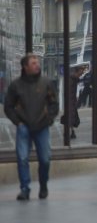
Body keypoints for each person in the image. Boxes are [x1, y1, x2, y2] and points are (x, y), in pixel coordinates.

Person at [4, 53, 59, 201]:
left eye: (37, 63)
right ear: (25, 67)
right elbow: (8, 106)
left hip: (42, 126)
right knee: (22, 158)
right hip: (24, 127)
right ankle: (24, 188)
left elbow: (54, 103)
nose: (37, 65)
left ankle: (43, 185)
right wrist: (18, 122)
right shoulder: (16, 85)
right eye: (33, 63)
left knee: (45, 159)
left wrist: (48, 119)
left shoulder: (46, 83)